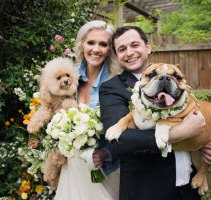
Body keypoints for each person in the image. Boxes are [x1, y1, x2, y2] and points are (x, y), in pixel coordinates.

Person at [97, 26, 211, 200]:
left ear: (148, 47)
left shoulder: (173, 80)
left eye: (135, 45)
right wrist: (179, 133)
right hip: (147, 189)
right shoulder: (112, 88)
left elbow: (198, 121)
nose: (129, 52)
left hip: (188, 185)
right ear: (116, 56)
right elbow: (118, 141)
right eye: (122, 49)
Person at [54, 20, 121, 200]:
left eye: (103, 44)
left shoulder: (116, 82)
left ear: (109, 49)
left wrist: (106, 153)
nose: (96, 49)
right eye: (91, 42)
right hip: (72, 164)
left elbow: (125, 130)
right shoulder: (69, 75)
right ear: (82, 44)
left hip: (103, 168)